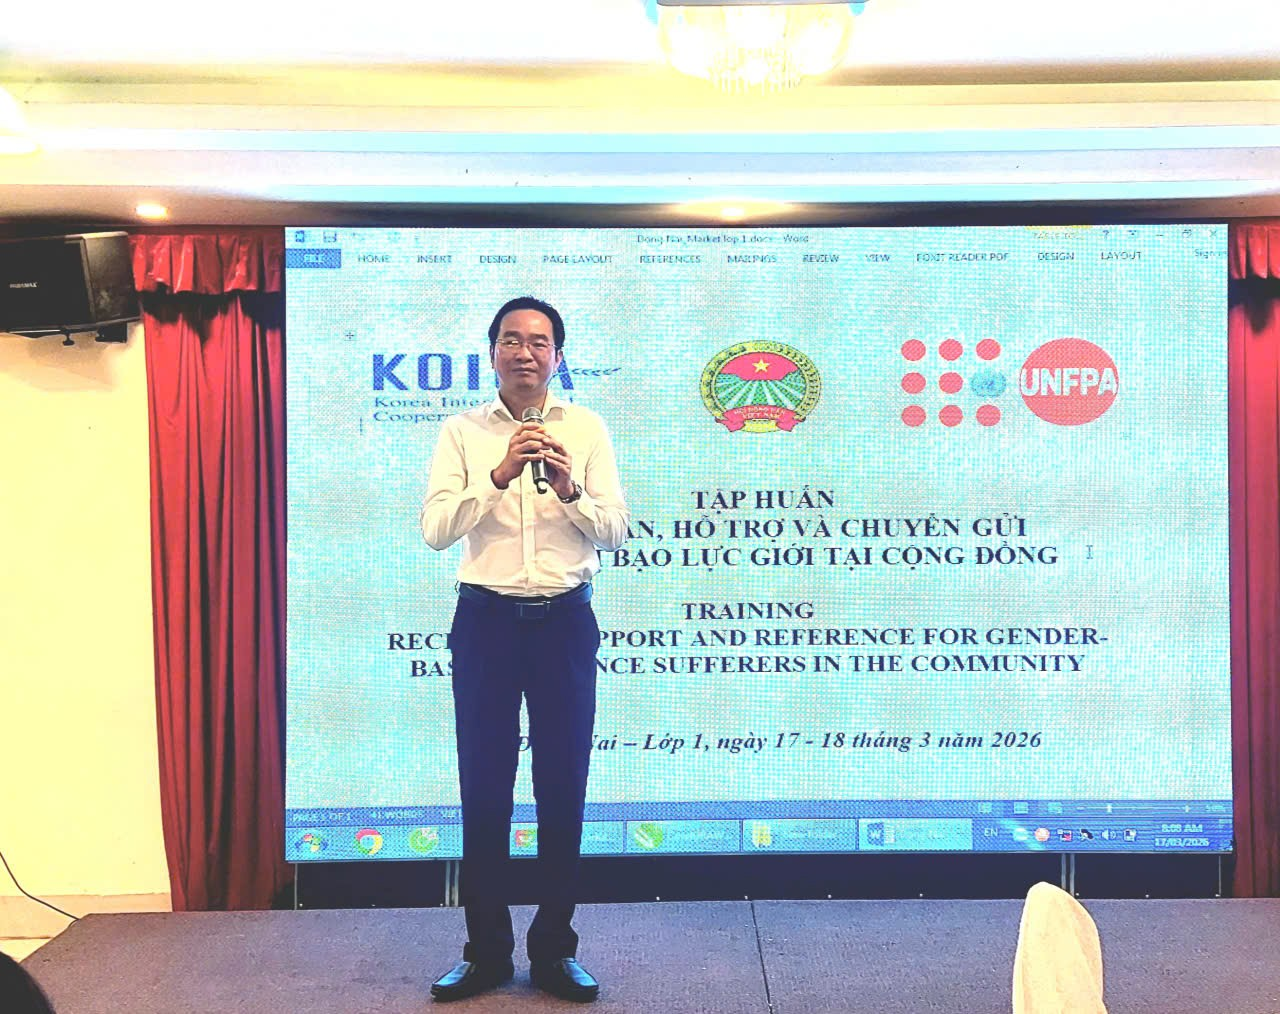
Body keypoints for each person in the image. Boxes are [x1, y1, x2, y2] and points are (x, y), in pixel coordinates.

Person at [421, 296, 629, 1003]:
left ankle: (554, 951)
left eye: (539, 342)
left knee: (562, 786)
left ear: (557, 357)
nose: (525, 353)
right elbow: (436, 530)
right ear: (492, 353)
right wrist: (499, 475)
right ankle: (485, 953)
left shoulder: (586, 428)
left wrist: (570, 491)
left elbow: (615, 530)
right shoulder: (463, 432)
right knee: (485, 788)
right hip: (486, 623)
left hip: (564, 623)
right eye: (511, 340)